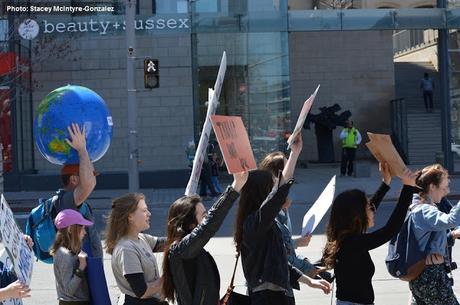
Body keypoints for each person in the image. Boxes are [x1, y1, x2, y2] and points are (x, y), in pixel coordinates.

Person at [235, 134, 331, 305]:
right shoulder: (254, 223)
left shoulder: (265, 222)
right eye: (270, 187)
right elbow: (279, 193)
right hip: (267, 299)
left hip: (279, 295)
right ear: (261, 192)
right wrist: (294, 154)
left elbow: (279, 262)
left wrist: (310, 281)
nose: (273, 191)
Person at [322, 167, 416, 305]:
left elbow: (373, 206)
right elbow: (389, 230)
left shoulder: (346, 237)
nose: (372, 210)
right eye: (367, 208)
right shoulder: (352, 243)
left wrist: (386, 183)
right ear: (357, 217)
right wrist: (408, 187)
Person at [162, 172, 248, 305]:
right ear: (191, 225)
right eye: (204, 216)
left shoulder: (188, 249)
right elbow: (209, 225)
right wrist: (235, 187)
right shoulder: (181, 250)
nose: (207, 218)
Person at [259, 151, 319, 278]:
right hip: (271, 286)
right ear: (277, 177)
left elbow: (284, 247)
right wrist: (309, 270)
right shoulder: (266, 211)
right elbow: (279, 254)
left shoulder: (282, 206)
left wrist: (298, 243)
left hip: (282, 283)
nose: (291, 174)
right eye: (288, 169)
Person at [409, 164, 460, 305]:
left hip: (422, 275)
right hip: (431, 275)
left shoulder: (416, 205)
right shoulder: (425, 210)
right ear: (432, 187)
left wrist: (452, 235)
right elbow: (451, 220)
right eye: (443, 188)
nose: (447, 192)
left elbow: (429, 241)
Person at [105, 193, 167, 305]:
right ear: (130, 216)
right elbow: (142, 292)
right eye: (144, 211)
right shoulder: (126, 249)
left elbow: (168, 243)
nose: (149, 214)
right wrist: (168, 277)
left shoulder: (141, 238)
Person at [55, 123, 102, 258]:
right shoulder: (66, 200)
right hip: (79, 271)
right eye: (88, 174)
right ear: (74, 180)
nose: (93, 178)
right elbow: (89, 184)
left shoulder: (75, 201)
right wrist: (82, 149)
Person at [50, 209, 94, 305]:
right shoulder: (64, 255)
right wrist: (81, 268)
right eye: (82, 228)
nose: (84, 232)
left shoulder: (72, 251)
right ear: (70, 229)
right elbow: (69, 290)